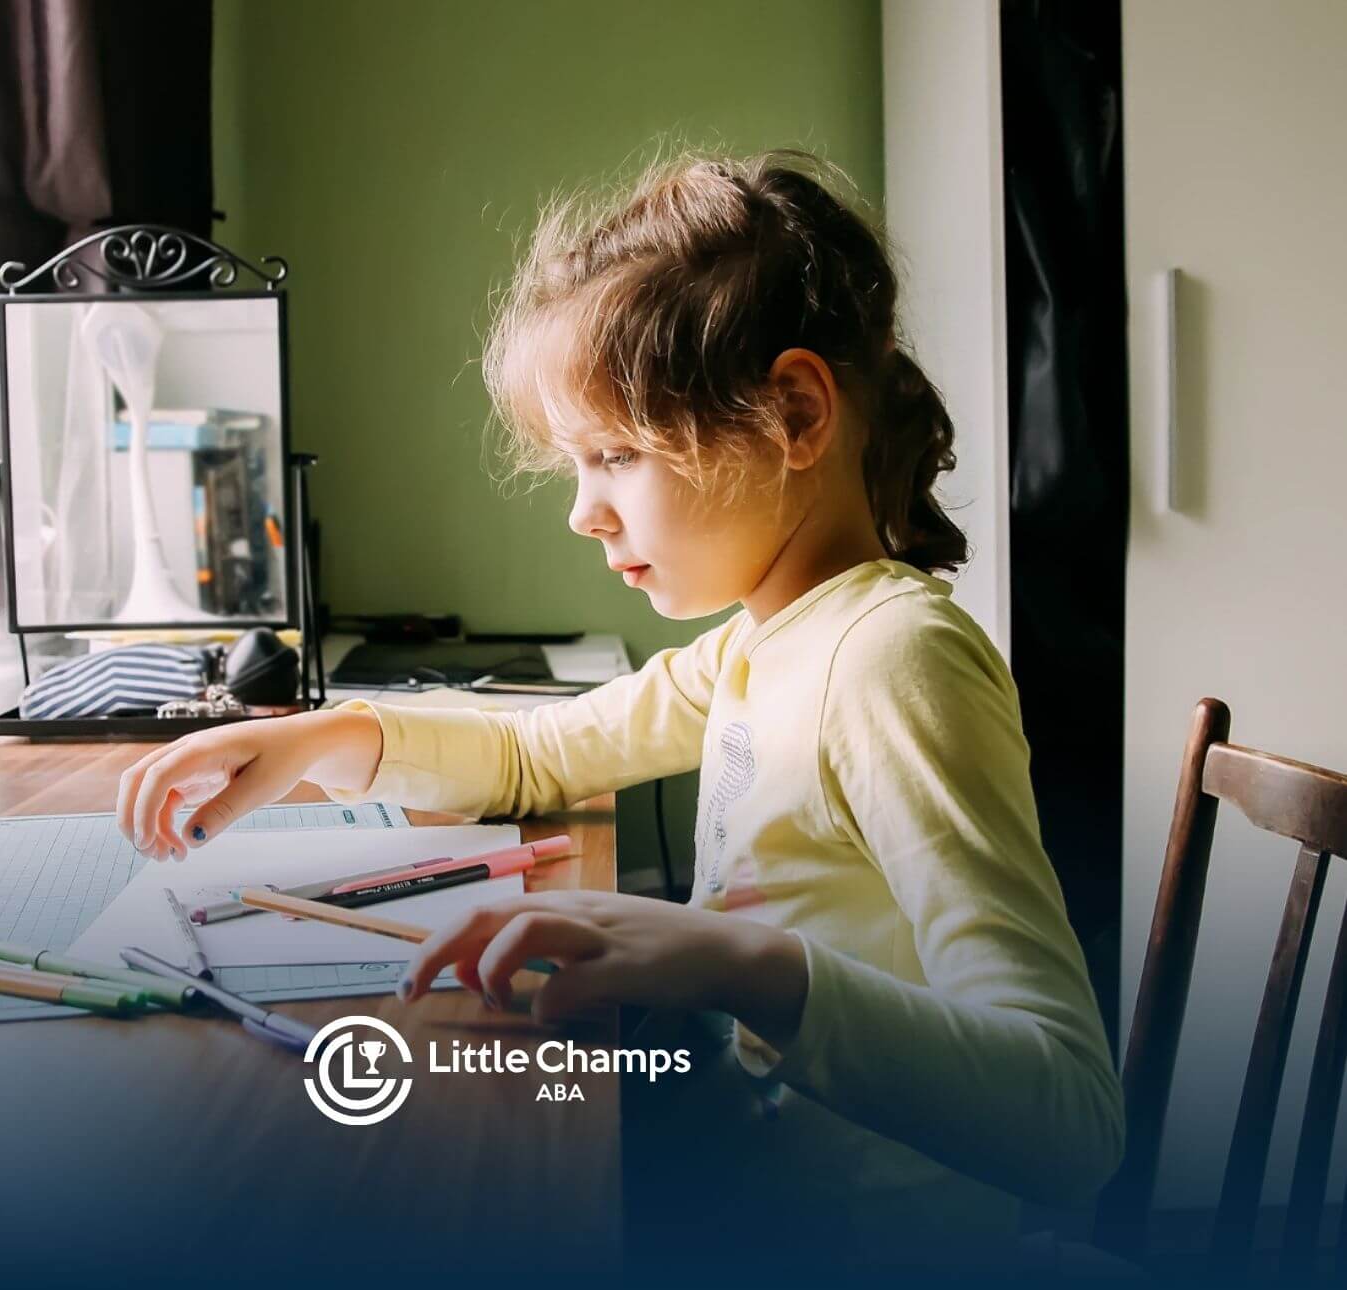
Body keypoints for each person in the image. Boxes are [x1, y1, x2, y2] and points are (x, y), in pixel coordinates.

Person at [114, 151, 1123, 1268]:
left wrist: (736, 963)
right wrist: (323, 740)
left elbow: (1069, 1120)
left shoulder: (891, 661)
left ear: (792, 412)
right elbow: (541, 753)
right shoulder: (762, 642)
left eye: (613, 455)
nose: (582, 514)